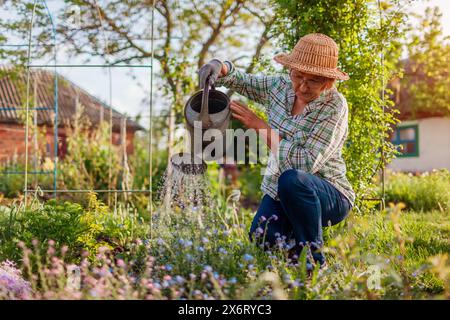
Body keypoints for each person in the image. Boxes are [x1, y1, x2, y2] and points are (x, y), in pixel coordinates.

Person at [198, 33, 355, 270]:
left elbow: (305, 164)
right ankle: (293, 250)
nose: (302, 86)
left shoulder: (334, 106)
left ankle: (313, 260)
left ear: (328, 82)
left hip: (328, 194)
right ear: (290, 70)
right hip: (282, 191)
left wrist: (259, 126)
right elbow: (241, 80)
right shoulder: (279, 87)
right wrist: (221, 66)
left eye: (313, 81)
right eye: (298, 76)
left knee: (293, 179)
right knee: (261, 237)